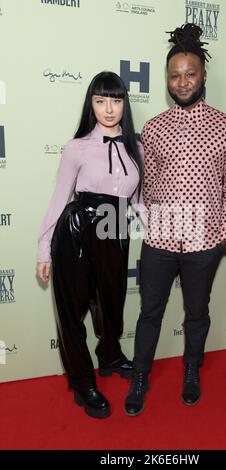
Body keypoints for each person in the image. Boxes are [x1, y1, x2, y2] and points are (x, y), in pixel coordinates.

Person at [124, 23, 226, 416]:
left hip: (203, 245)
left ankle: (191, 369)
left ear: (203, 75)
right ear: (167, 79)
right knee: (149, 313)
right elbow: (144, 183)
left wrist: (223, 236)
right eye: (174, 76)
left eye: (190, 74)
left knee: (197, 313)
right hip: (159, 243)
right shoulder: (153, 126)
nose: (182, 82)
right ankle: (140, 375)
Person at [36, 71, 143, 419]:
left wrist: (163, 233)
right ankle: (82, 380)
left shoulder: (135, 146)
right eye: (100, 100)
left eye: (115, 100)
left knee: (112, 302)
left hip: (115, 230)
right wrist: (43, 248)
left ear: (124, 103)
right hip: (77, 230)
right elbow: (58, 199)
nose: (108, 109)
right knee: (72, 310)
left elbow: (139, 202)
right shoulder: (77, 146)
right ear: (91, 104)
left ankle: (110, 355)